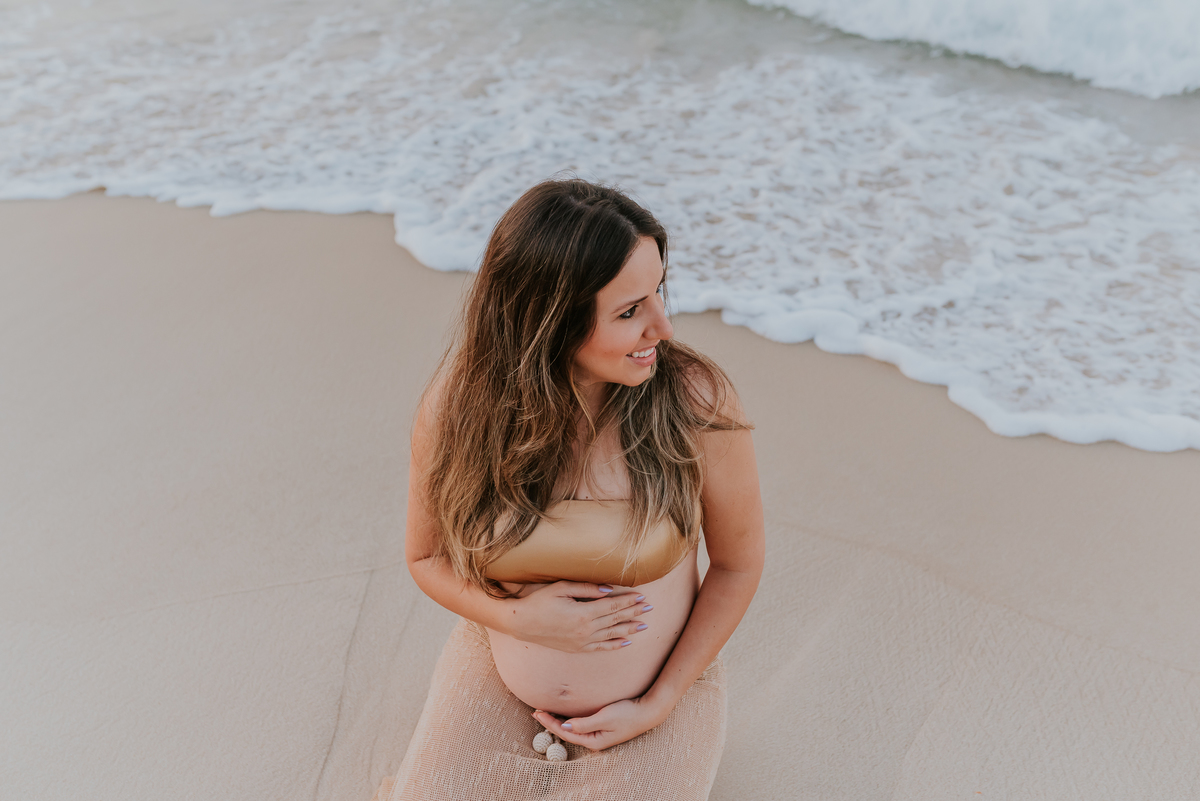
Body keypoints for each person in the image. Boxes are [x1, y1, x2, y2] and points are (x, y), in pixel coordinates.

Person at [380, 178, 764, 800]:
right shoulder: (459, 409)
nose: (662, 328)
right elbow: (425, 558)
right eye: (629, 311)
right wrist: (519, 620)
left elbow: (739, 564)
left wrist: (660, 703)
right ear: (549, 323)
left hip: (654, 698)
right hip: (499, 677)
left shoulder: (694, 402)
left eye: (658, 291)